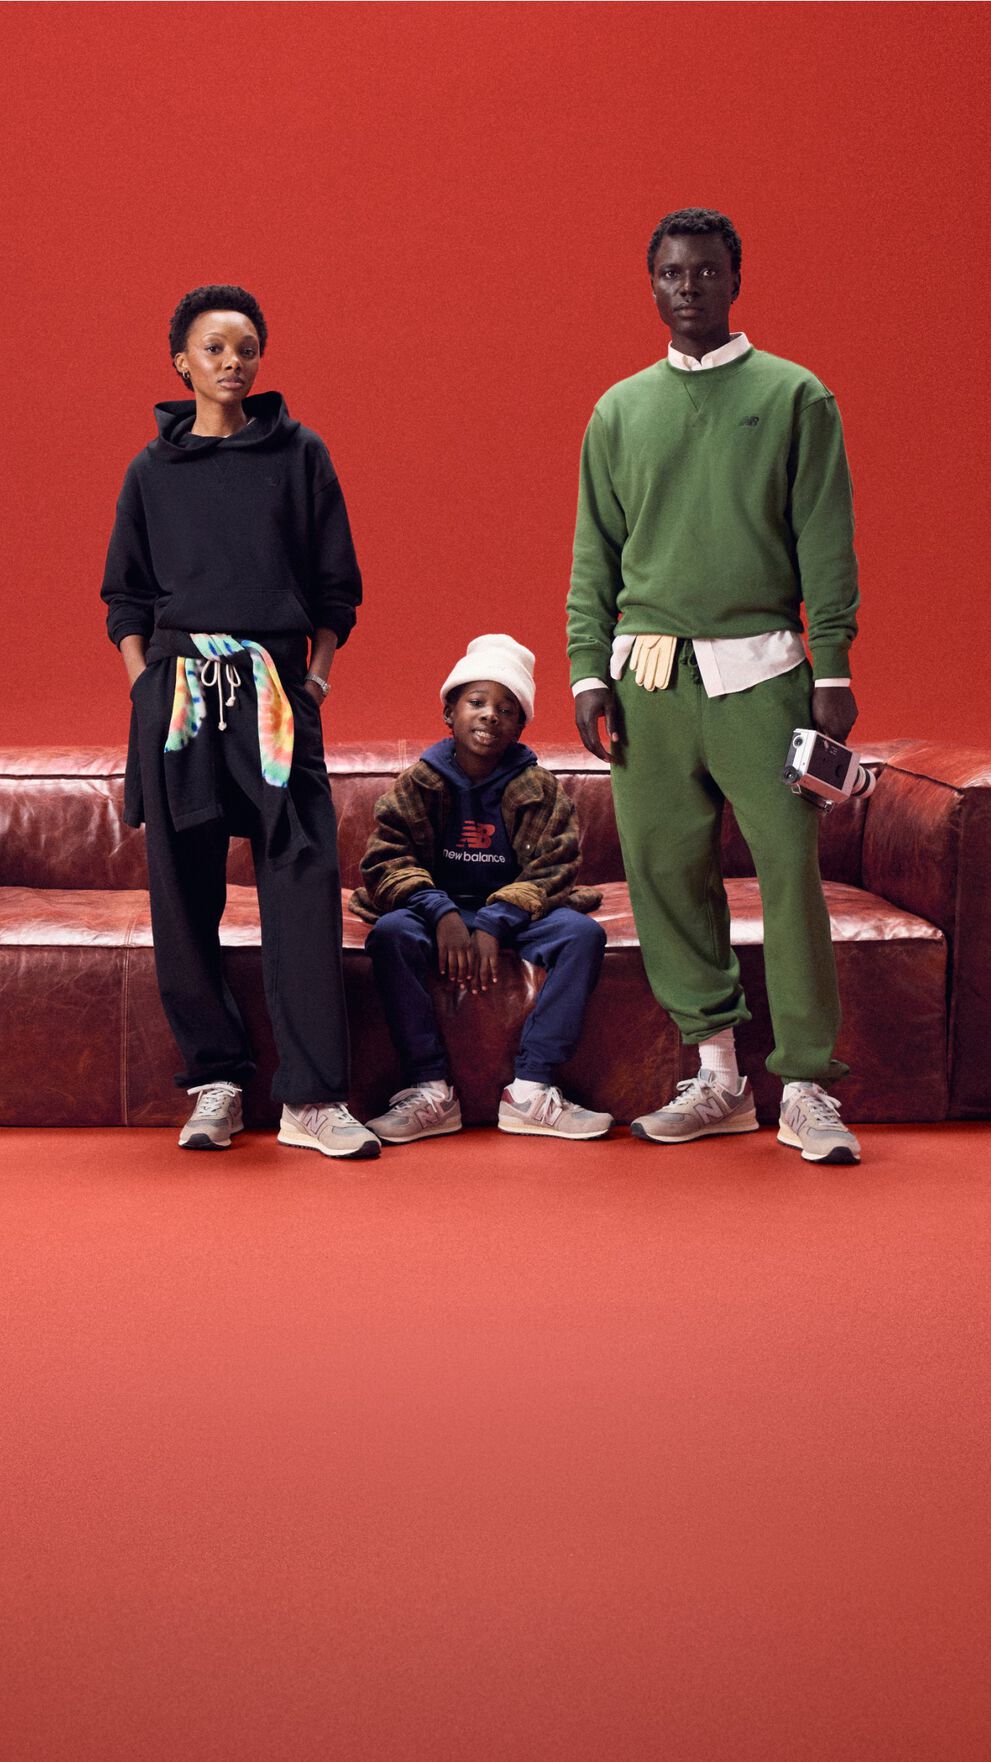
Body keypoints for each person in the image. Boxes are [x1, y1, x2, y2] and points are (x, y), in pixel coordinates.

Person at [567, 208, 862, 1164]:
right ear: (648, 284)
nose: (686, 287)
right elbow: (594, 557)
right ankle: (719, 1076)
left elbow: (824, 538)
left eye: (702, 271)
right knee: (662, 876)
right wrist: (584, 671)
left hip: (765, 673)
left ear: (734, 279)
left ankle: (808, 1085)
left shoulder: (794, 396)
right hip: (646, 678)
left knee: (788, 874)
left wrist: (835, 667)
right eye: (668, 273)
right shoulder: (618, 409)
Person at [101, 283, 379, 1158]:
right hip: (179, 695)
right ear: (181, 360)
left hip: (274, 691)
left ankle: (312, 1098)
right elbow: (125, 594)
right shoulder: (150, 471)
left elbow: (336, 584)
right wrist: (147, 684)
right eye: (215, 348)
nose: (232, 362)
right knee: (183, 892)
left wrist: (317, 679)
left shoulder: (300, 454)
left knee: (300, 883)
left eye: (246, 348)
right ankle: (214, 1081)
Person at [350, 634, 612, 1142]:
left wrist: (496, 920)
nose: (490, 715)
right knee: (390, 935)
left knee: (582, 936)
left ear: (520, 724)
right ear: (449, 712)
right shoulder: (419, 782)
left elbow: (555, 867)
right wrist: (442, 914)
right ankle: (429, 1090)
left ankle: (531, 1090)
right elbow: (385, 859)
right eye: (476, 702)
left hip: (517, 915)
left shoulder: (539, 788)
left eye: (506, 708)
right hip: (436, 915)